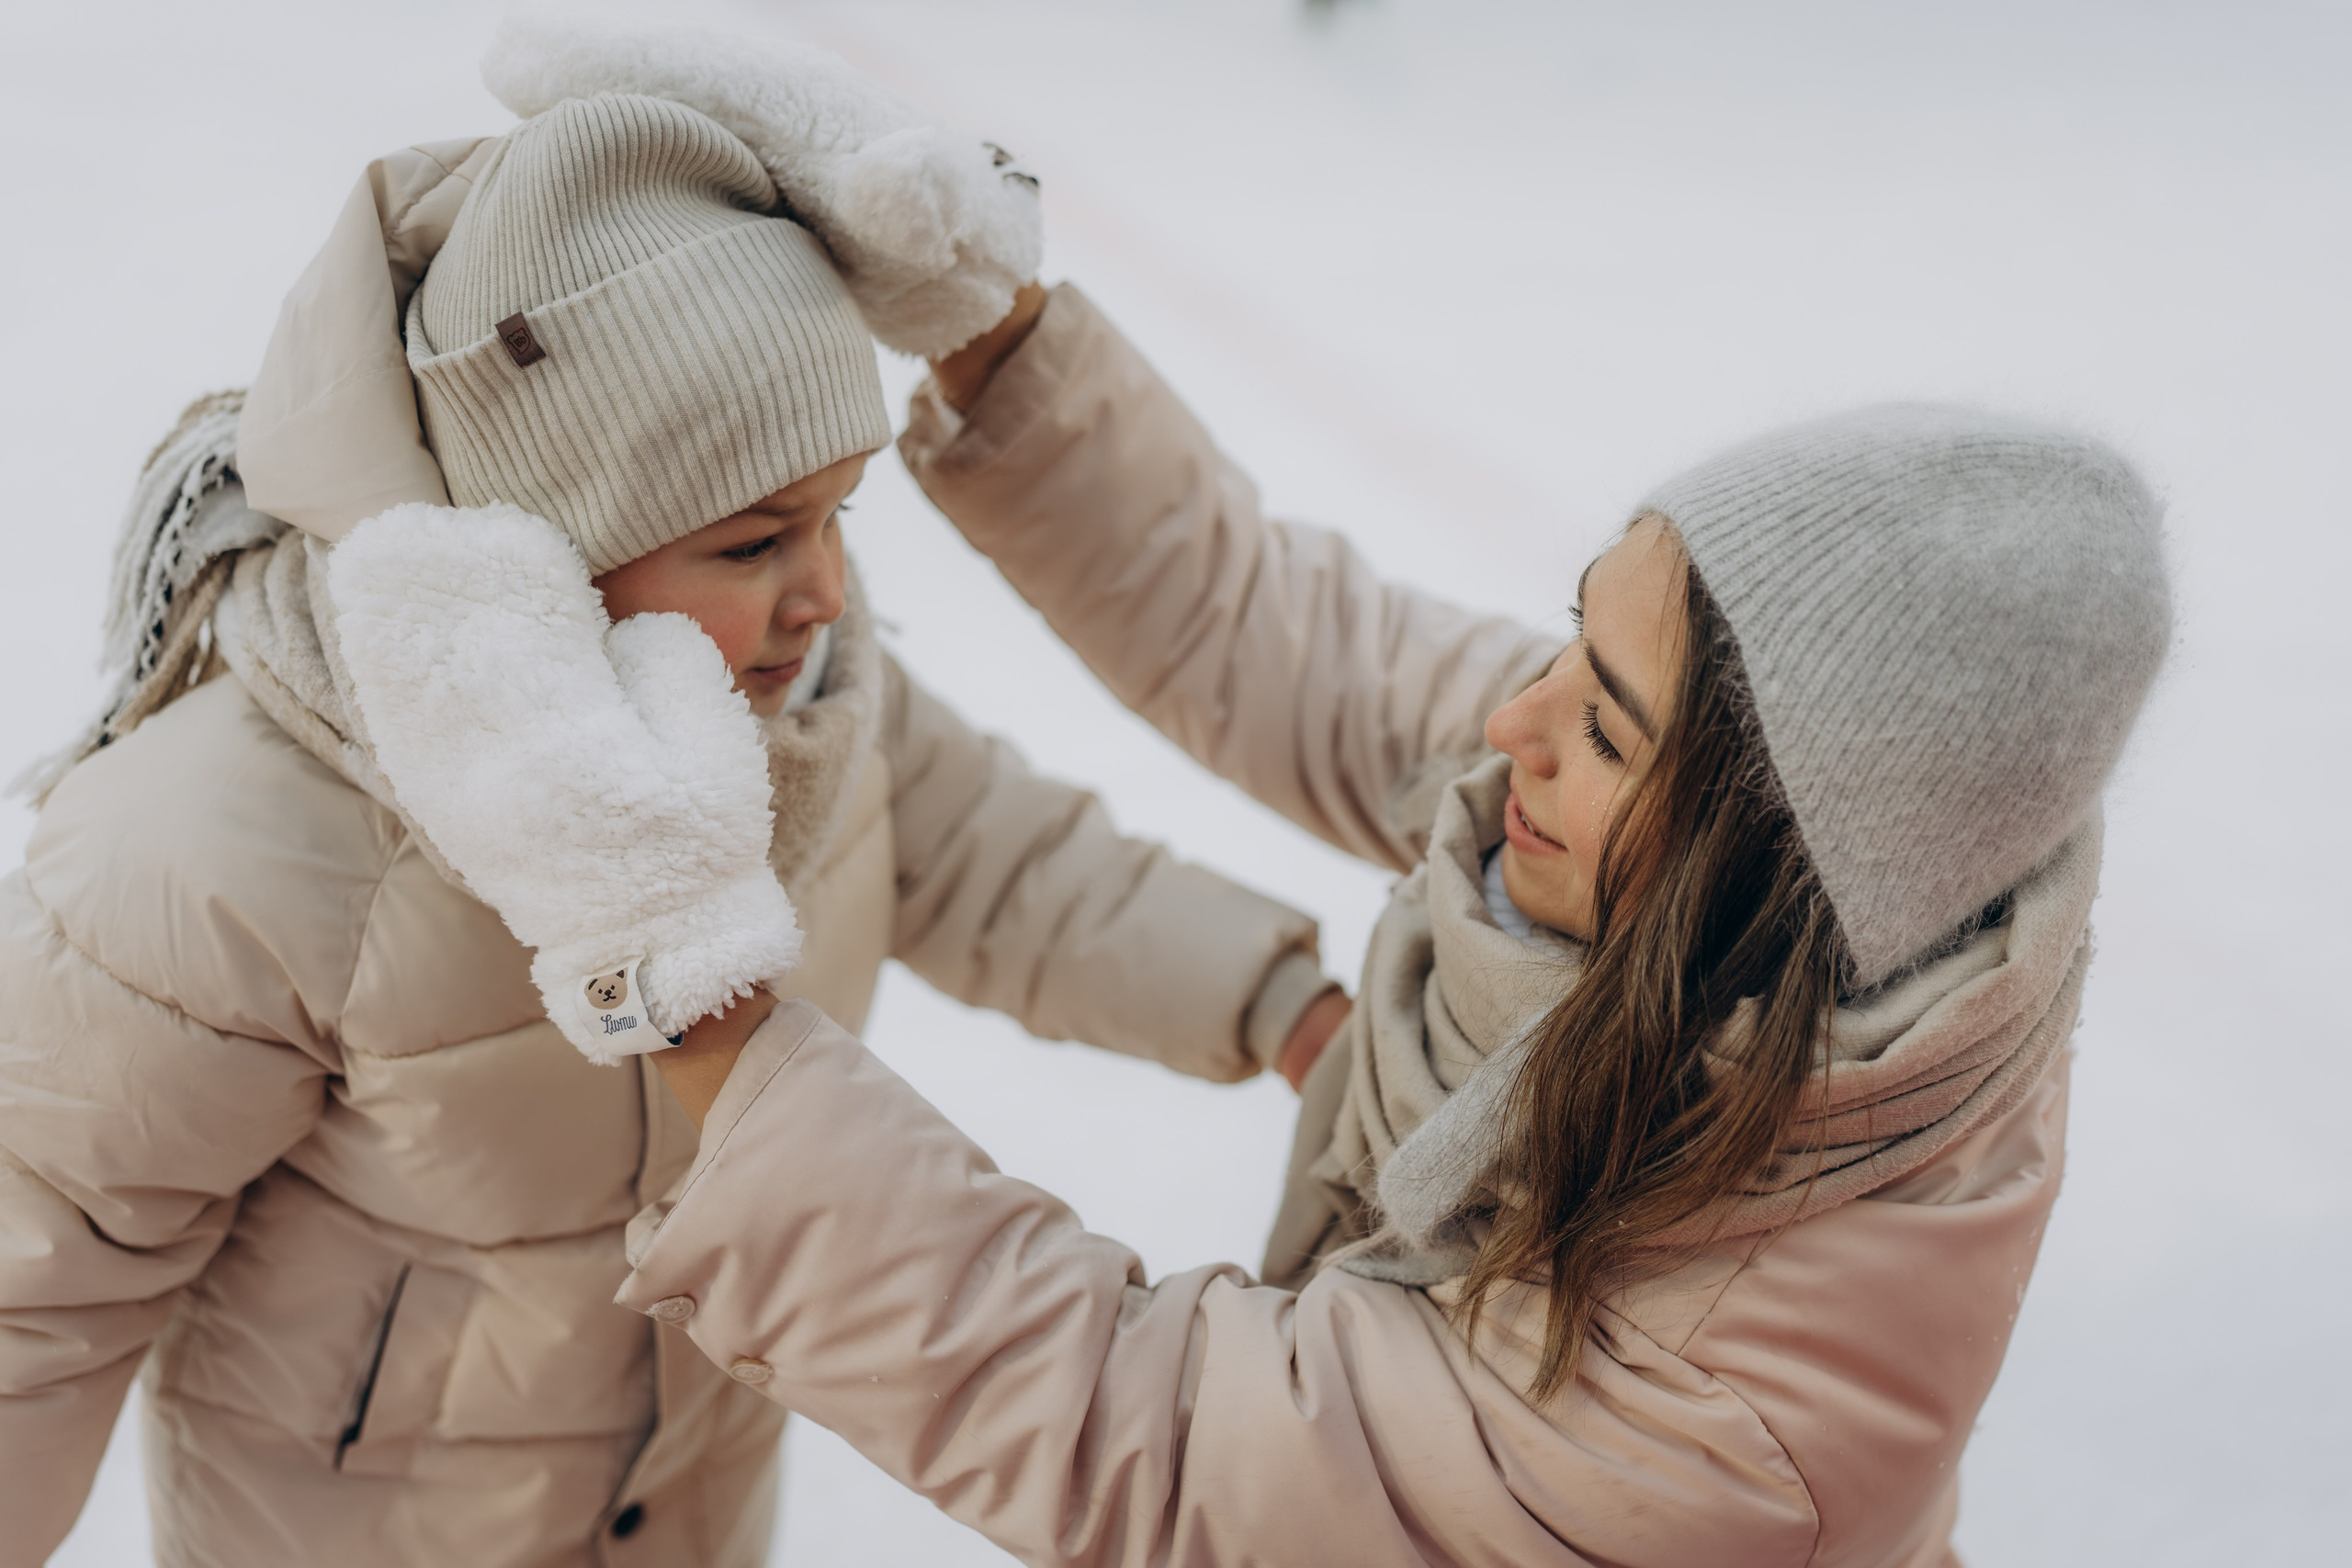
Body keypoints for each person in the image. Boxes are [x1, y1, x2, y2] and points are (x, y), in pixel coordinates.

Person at [322, 29, 2174, 1568]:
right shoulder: (1823, 874)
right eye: (1563, 637)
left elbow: (1156, 1429)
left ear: (1769, 862)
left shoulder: (1736, 1419)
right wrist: (995, 325)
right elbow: (1275, 632)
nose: (1507, 721)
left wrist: (695, 990)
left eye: (1600, 723)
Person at [0, 79, 1351, 1568]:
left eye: (839, 516)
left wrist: (1280, 997)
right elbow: (34, 1285)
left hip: (690, 1513)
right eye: (756, 539)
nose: (825, 590)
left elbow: (1009, 864)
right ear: (546, 548)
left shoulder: (800, 709)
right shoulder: (233, 845)